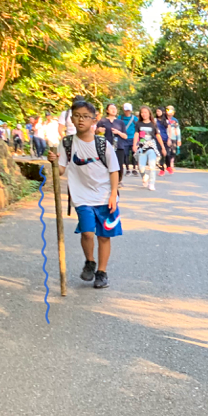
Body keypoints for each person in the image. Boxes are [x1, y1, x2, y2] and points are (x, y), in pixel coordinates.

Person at [48, 100, 121, 289]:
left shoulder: (103, 144)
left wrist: (113, 194)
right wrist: (54, 163)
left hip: (105, 196)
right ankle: (90, 262)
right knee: (87, 233)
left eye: (85, 116)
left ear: (93, 120)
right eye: (77, 116)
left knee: (104, 236)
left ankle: (102, 273)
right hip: (82, 197)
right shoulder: (67, 143)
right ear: (71, 118)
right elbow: (61, 170)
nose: (81, 120)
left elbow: (114, 170)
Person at [132, 106, 166, 191]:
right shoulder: (138, 124)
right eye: (142, 112)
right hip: (142, 147)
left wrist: (162, 147)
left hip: (151, 146)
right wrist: (134, 144)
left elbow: (158, 135)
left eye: (146, 112)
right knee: (141, 167)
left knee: (152, 166)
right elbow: (136, 134)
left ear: (149, 113)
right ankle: (144, 176)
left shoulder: (153, 124)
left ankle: (151, 183)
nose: (144, 114)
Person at [96, 103, 128, 184]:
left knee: (119, 164)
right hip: (105, 145)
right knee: (106, 164)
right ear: (107, 110)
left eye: (115, 108)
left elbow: (125, 136)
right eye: (111, 108)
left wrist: (118, 132)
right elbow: (95, 133)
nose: (113, 110)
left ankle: (118, 181)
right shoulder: (102, 121)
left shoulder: (120, 122)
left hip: (118, 146)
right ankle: (106, 180)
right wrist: (98, 130)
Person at [119, 103, 138, 177]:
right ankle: (127, 169)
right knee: (125, 154)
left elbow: (137, 128)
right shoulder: (120, 118)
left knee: (134, 154)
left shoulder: (134, 118)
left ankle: (134, 168)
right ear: (124, 110)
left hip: (133, 138)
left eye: (128, 110)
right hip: (123, 138)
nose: (127, 111)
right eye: (126, 110)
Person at [154, 106, 170, 176]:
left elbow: (169, 130)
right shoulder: (154, 120)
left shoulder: (166, 121)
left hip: (165, 139)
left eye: (159, 111)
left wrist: (169, 139)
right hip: (157, 139)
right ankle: (162, 169)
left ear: (163, 112)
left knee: (167, 154)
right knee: (159, 155)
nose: (157, 113)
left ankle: (168, 166)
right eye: (157, 111)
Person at [165, 105, 181, 173]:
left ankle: (172, 164)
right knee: (167, 152)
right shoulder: (164, 119)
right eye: (168, 110)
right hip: (166, 138)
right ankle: (167, 165)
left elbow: (177, 129)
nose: (170, 112)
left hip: (174, 137)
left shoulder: (175, 120)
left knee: (173, 152)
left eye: (171, 111)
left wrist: (179, 139)